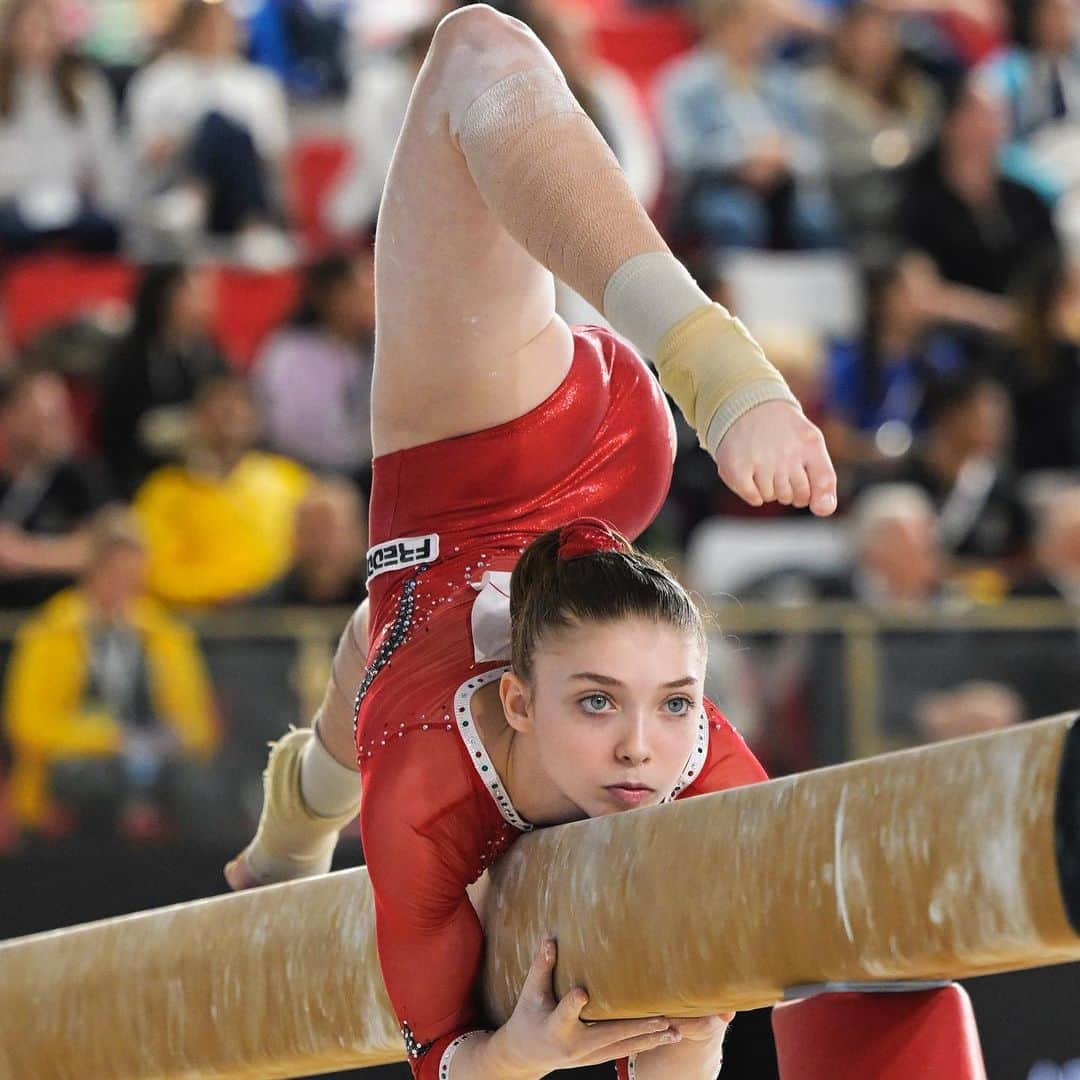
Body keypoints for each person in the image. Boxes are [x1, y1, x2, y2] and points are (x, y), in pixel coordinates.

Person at [226, 7, 837, 1079]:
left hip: (467, 501)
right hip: (522, 461)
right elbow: (449, 1061)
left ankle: (292, 820)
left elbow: (698, 1020)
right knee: (476, 50)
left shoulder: (635, 740)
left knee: (374, 646)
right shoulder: (434, 800)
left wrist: (545, 1050)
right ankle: (717, 364)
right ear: (522, 698)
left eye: (672, 705)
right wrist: (513, 1060)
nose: (647, 749)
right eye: (601, 704)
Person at [3, 506, 217, 839]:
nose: (124, 590)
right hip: (74, 787)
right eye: (115, 576)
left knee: (199, 787)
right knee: (91, 781)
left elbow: (198, 727)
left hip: (155, 776)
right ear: (92, 570)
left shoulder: (167, 634)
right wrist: (107, 739)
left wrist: (161, 742)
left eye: (134, 578)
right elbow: (27, 724)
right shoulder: (48, 632)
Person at [124, 0, 291, 263]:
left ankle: (198, 199)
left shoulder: (258, 84)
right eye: (205, 24)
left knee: (226, 128)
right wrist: (193, 139)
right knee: (215, 125)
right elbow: (146, 150)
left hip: (240, 186)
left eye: (221, 24)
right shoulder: (157, 81)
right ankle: (211, 205)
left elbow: (273, 152)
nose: (213, 33)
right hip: (171, 183)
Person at [133, 375, 310, 608]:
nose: (230, 414)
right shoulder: (163, 492)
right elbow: (150, 570)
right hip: (198, 622)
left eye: (239, 406)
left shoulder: (290, 481)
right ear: (197, 419)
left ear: (255, 420)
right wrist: (219, 592)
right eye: (218, 408)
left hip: (282, 616)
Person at [0, 0, 122, 256]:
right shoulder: (6, 90)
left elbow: (102, 155)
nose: (37, 41)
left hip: (70, 202)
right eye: (29, 30)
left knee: (102, 229)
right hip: (13, 203)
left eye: (44, 30)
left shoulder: (84, 87)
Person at [99, 263, 229, 497]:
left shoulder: (213, 357)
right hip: (143, 477)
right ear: (164, 297)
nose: (205, 304)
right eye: (193, 294)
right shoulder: (130, 360)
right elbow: (117, 433)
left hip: (208, 477)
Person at [252, 252, 376, 489]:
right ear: (330, 295)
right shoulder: (290, 352)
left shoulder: (373, 349)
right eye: (359, 290)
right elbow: (288, 431)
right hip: (300, 471)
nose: (371, 298)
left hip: (364, 471)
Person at [0, 370, 110, 609]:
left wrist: (25, 553)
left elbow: (100, 548)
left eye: (59, 417)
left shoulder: (79, 477)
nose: (56, 428)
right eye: (42, 419)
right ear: (8, 417)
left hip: (58, 623)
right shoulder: (6, 482)